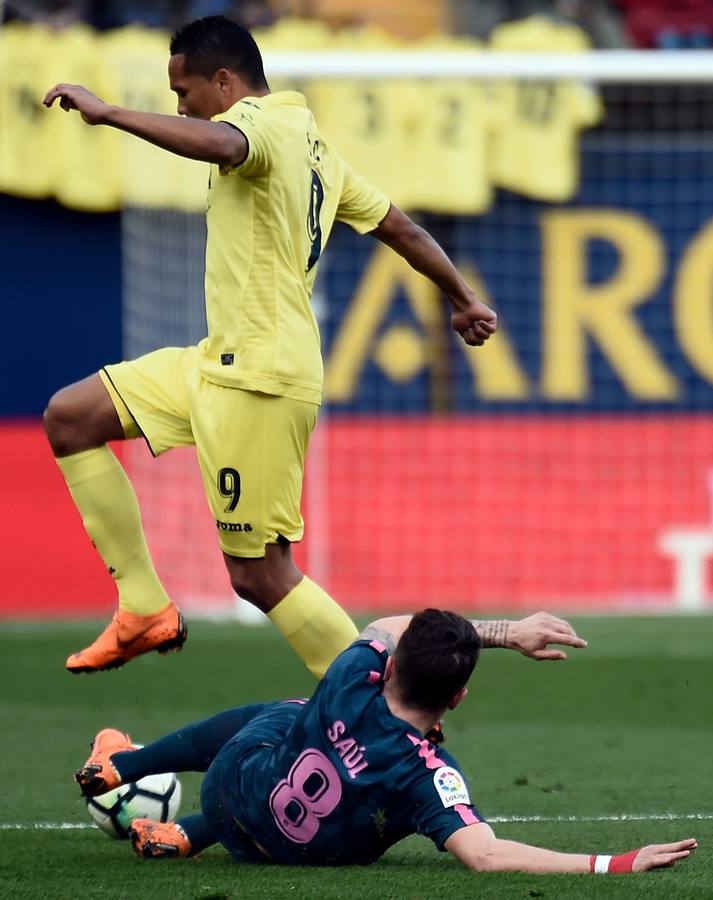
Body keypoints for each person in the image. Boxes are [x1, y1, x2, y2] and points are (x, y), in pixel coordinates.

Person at [42, 15, 498, 677]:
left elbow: (225, 147)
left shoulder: (265, 128)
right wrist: (462, 297)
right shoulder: (314, 146)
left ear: (224, 82)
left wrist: (110, 113)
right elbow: (400, 227)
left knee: (259, 575)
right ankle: (143, 608)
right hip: (215, 361)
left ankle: (383, 705)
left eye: (185, 92)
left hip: (259, 377)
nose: (180, 106)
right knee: (71, 417)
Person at [74, 610, 695, 874]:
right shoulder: (431, 773)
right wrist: (615, 862)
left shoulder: (350, 679)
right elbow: (486, 855)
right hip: (288, 856)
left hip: (236, 797)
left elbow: (390, 627)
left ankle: (123, 765)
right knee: (315, 749)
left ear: (390, 669)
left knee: (288, 713)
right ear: (457, 699)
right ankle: (187, 832)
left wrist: (503, 631)